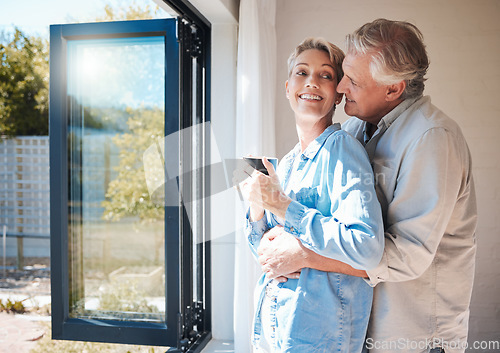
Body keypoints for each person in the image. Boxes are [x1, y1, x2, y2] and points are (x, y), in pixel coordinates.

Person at [257, 19, 477, 353]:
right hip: (358, 328)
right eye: (343, 74)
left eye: (353, 80)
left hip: (414, 334)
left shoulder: (432, 140)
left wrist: (305, 255)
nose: (342, 86)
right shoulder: (356, 128)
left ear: (393, 90)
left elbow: (407, 256)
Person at [238, 37, 384, 353]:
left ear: (337, 94)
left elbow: (367, 247)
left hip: (321, 341)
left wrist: (283, 206)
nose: (312, 82)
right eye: (302, 73)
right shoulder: (288, 164)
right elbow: (267, 256)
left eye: (325, 75)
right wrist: (257, 209)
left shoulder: (343, 152)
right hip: (276, 335)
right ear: (287, 87)